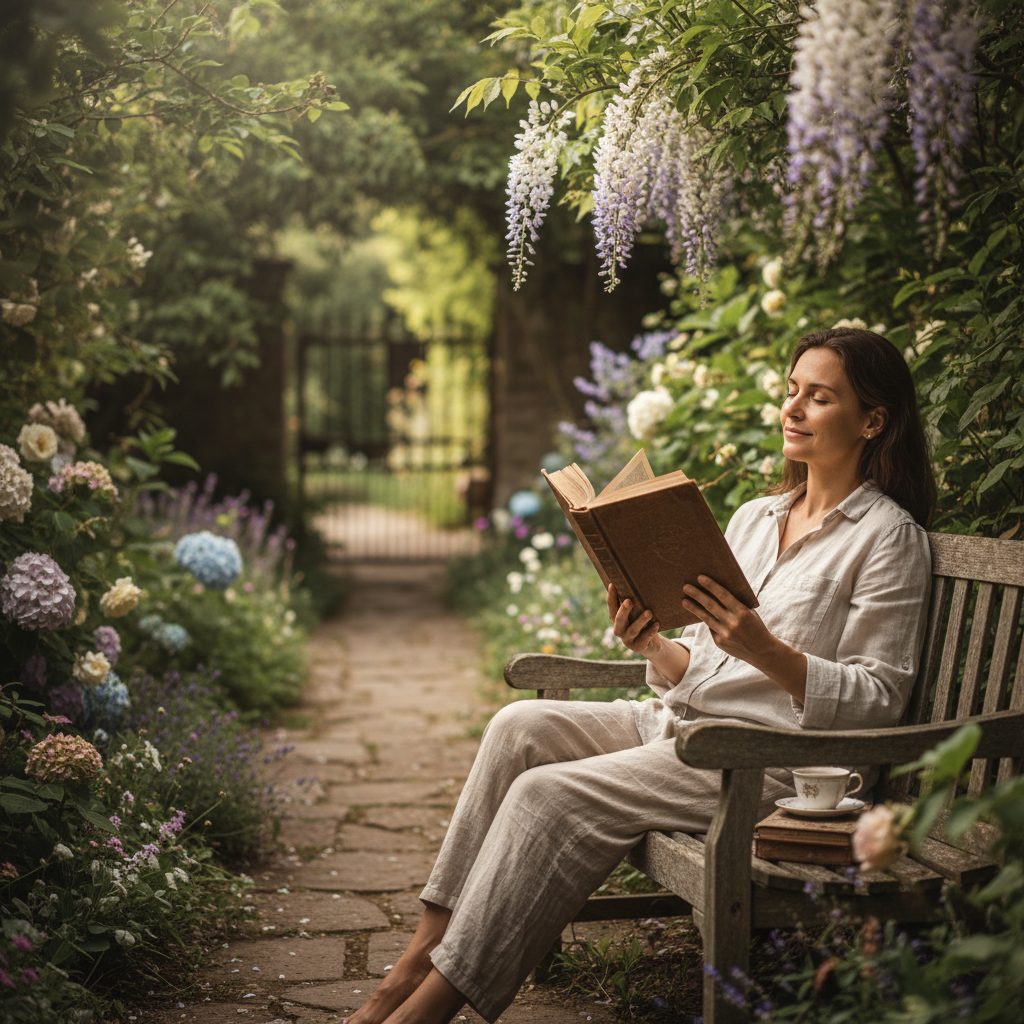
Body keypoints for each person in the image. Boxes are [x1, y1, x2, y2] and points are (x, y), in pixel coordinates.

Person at [345, 327, 936, 1024]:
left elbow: (878, 701)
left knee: (547, 796)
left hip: (765, 761)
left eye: (819, 397)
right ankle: (417, 956)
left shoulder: (888, 538)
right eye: (791, 391)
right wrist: (653, 644)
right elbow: (700, 665)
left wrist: (765, 650)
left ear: (873, 421)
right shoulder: (754, 517)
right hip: (683, 729)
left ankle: (422, 1011)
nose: (793, 408)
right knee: (518, 727)